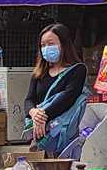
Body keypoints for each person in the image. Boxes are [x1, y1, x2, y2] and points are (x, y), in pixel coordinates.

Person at [25, 23, 89, 157]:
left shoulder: (78, 70)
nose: (46, 48)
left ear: (64, 44)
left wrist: (42, 116)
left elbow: (68, 97)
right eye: (43, 45)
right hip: (40, 134)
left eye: (50, 43)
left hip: (64, 132)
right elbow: (29, 100)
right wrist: (35, 113)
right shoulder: (38, 73)